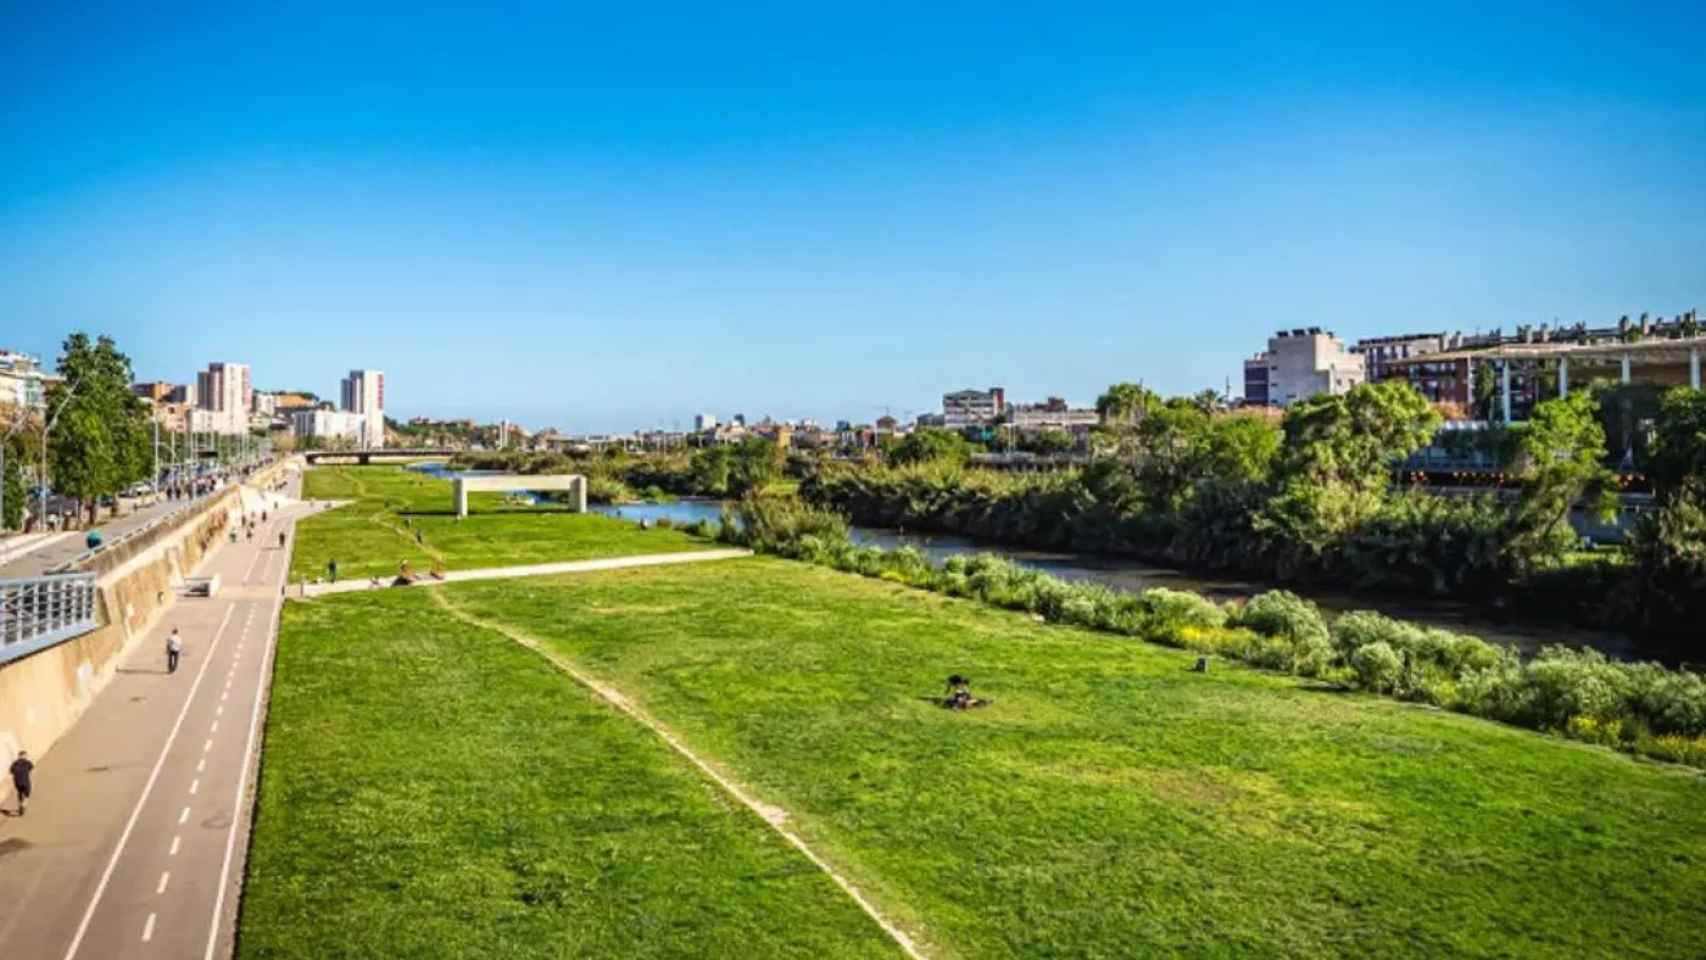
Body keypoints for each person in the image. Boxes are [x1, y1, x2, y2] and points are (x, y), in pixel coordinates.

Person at [9, 751, 32, 817]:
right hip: (26, 781)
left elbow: (11, 772)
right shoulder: (27, 762)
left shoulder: (14, 763)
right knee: (27, 795)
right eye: (26, 755)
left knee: (20, 793)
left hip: (17, 782)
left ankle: (20, 806)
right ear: (24, 756)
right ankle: (23, 805)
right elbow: (32, 770)